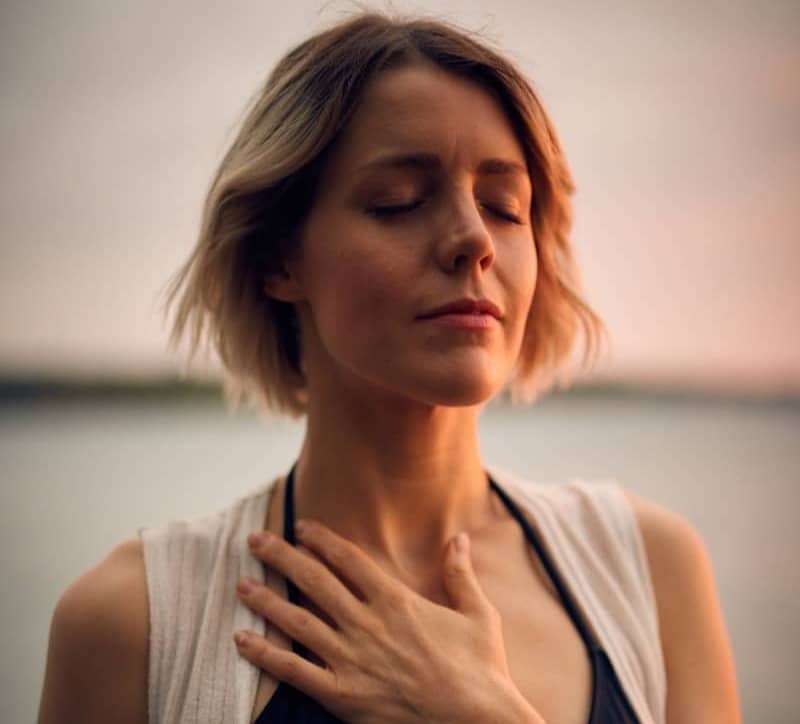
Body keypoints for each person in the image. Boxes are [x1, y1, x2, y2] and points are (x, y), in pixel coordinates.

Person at [38, 10, 741, 724]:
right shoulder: (132, 625)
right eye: (398, 202)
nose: (473, 238)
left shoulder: (651, 571)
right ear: (281, 257)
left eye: (504, 206)